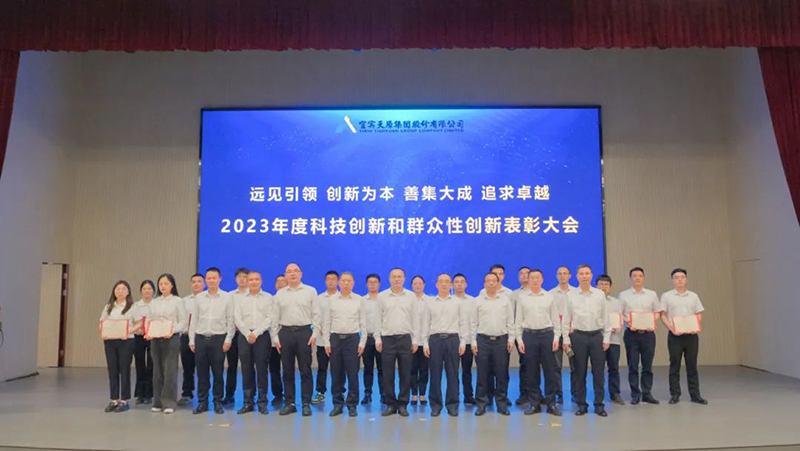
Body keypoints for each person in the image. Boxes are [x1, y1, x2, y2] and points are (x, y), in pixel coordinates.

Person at [272, 263, 321, 416]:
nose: (292, 274)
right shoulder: (280, 294)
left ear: (301, 274)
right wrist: (275, 337)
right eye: (289, 271)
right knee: (287, 370)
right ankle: (290, 403)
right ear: (285, 275)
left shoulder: (310, 291)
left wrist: (314, 334)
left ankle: (306, 403)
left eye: (295, 271)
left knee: (305, 370)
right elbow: (274, 318)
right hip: (285, 333)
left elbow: (317, 315)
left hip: (304, 333)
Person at [563, 265, 611, 417]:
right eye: (581, 274)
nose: (584, 276)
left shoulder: (599, 294)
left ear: (591, 275)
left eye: (587, 273)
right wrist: (566, 339)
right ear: (577, 276)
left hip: (597, 336)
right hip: (578, 337)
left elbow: (605, 317)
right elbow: (566, 318)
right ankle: (581, 405)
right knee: (579, 372)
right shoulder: (570, 295)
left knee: (598, 373)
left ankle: (599, 405)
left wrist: (607, 337)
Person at [376, 268, 421, 417]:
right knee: (387, 374)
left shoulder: (411, 296)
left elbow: (415, 319)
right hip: (387, 339)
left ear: (404, 279)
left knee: (405, 373)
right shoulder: (382, 297)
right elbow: (377, 319)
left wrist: (415, 339)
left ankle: (402, 404)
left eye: (399, 276)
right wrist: (378, 338)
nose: (396, 279)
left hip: (405, 339)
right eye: (394, 277)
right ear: (389, 279)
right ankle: (390, 404)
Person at [515, 269, 561, 416]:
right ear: (528, 280)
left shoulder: (549, 297)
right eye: (532, 278)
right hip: (529, 336)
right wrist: (519, 339)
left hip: (547, 335)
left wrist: (556, 338)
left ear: (542, 279)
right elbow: (518, 320)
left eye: (537, 277)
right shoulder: (522, 298)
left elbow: (555, 319)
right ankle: (534, 404)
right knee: (531, 371)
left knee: (550, 371)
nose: (535, 280)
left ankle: (551, 404)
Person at [190, 267, 235, 415]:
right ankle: (202, 402)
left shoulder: (227, 297)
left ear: (220, 279)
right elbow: (194, 320)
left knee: (218, 373)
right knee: (202, 373)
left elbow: (230, 320)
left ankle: (217, 402)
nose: (211, 280)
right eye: (208, 278)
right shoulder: (199, 297)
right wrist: (191, 339)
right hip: (201, 338)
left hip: (218, 338)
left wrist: (228, 339)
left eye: (214, 278)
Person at [660, 268, 708, 405]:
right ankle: (675, 394)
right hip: (675, 336)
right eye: (676, 277)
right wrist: (671, 328)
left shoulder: (693, 296)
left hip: (691, 336)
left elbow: (698, 313)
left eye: (682, 277)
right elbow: (663, 315)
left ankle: (695, 395)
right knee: (674, 365)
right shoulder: (666, 296)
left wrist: (696, 326)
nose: (680, 280)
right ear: (672, 280)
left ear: (686, 279)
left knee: (692, 365)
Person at [421, 273, 466, 417]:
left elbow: (463, 323)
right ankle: (435, 405)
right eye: (441, 281)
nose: (444, 284)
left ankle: (453, 405)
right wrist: (425, 343)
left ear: (451, 285)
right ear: (436, 284)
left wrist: (463, 341)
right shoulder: (430, 303)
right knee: (435, 374)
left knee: (453, 373)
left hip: (453, 339)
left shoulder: (457, 302)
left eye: (447, 281)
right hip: (435, 340)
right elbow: (425, 323)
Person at [323, 272, 366, 417]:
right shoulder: (331, 300)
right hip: (335, 339)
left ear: (353, 283)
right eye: (343, 281)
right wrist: (326, 341)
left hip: (352, 340)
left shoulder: (359, 300)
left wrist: (362, 342)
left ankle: (352, 405)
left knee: (353, 374)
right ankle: (337, 404)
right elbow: (327, 322)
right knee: (336, 374)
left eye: (349, 281)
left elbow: (363, 323)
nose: (346, 283)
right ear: (339, 283)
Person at [472, 272, 514, 416]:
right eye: (487, 281)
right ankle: (482, 404)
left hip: (501, 341)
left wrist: (511, 339)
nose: (490, 283)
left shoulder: (505, 300)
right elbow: (473, 323)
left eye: (493, 281)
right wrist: (473, 341)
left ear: (498, 283)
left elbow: (510, 321)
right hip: (482, 341)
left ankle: (502, 404)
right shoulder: (478, 301)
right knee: (482, 374)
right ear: (484, 283)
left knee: (502, 374)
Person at [619, 267, 662, 405]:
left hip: (648, 334)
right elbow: (619, 314)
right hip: (631, 334)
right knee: (633, 365)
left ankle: (647, 393)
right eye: (634, 276)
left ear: (643, 278)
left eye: (640, 276)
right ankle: (635, 394)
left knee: (647, 365)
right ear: (630, 278)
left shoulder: (652, 294)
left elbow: (657, 312)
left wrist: (652, 321)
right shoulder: (623, 295)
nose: (637, 278)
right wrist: (628, 321)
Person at [233, 271, 273, 415]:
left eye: (257, 279)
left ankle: (262, 402)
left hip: (261, 336)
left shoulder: (268, 298)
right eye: (251, 280)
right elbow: (237, 318)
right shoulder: (240, 299)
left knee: (262, 368)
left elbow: (270, 318)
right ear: (247, 282)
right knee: (246, 368)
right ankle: (248, 402)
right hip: (244, 336)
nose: (254, 282)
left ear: (261, 281)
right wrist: (247, 333)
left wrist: (256, 333)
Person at [147, 273, 187, 414]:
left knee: (169, 370)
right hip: (155, 338)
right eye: (161, 284)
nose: (163, 286)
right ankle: (157, 402)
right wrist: (148, 331)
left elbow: (183, 321)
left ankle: (169, 402)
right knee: (157, 370)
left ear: (172, 285)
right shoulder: (154, 302)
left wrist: (173, 330)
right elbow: (149, 319)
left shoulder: (177, 301)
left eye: (166, 283)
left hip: (172, 338)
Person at [99, 280, 140, 413]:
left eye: (123, 289)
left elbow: (139, 323)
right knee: (112, 370)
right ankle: (114, 399)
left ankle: (124, 400)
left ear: (128, 292)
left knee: (124, 369)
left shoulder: (132, 306)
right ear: (114, 291)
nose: (120, 291)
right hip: (110, 341)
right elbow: (102, 322)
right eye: (118, 289)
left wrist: (129, 330)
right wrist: (103, 332)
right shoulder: (108, 306)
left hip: (126, 341)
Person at [549, 266, 577, 404]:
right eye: (559, 273)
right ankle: (558, 394)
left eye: (565, 273)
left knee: (575, 365)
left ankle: (575, 393)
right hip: (557, 334)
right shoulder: (550, 294)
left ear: (570, 275)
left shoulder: (577, 293)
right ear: (556, 276)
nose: (562, 276)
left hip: (574, 333)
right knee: (556, 366)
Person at [596, 274, 625, 405]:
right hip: (598, 339)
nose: (603, 287)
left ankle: (615, 393)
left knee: (614, 368)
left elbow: (620, 318)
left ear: (610, 287)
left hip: (614, 339)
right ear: (596, 286)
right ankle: (599, 394)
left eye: (606, 284)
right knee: (598, 368)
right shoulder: (593, 301)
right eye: (601, 284)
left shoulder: (616, 302)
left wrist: (617, 327)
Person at [223, 267, 249, 405]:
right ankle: (229, 395)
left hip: (248, 335)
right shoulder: (229, 295)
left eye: (245, 277)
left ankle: (249, 397)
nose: (242, 279)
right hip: (233, 334)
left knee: (248, 367)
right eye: (239, 277)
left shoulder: (252, 294)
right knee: (232, 366)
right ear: (235, 279)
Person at [312, 270, 339, 405]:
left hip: (337, 339)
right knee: (322, 367)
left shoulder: (342, 298)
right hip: (322, 339)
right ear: (325, 281)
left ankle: (338, 393)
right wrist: (320, 330)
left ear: (338, 281)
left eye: (334, 279)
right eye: (328, 279)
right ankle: (320, 392)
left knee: (338, 368)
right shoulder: (319, 298)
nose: (331, 281)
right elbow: (314, 317)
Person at [178, 273, 204, 406]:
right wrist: (186, 330)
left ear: (204, 284)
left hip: (202, 337)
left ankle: (203, 395)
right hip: (186, 336)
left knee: (203, 367)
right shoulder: (184, 301)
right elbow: (180, 318)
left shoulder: (207, 299)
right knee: (187, 367)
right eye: (194, 281)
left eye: (199, 281)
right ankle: (187, 393)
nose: (196, 284)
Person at [361, 273, 384, 405]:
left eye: (375, 282)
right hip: (367, 338)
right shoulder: (362, 301)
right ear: (366, 284)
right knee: (367, 368)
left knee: (382, 368)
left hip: (382, 338)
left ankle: (384, 394)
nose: (373, 284)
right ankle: (367, 394)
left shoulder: (384, 299)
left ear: (379, 284)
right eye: (370, 282)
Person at [453, 273, 476, 405]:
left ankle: (469, 396)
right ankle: (454, 396)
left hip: (467, 341)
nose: (459, 284)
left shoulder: (472, 301)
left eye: (462, 282)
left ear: (466, 284)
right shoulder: (449, 301)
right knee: (453, 371)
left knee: (467, 371)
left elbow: (474, 322)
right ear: (453, 285)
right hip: (453, 341)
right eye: (456, 282)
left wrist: (473, 340)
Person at [132, 280, 155, 405]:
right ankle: (140, 394)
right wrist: (137, 329)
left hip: (152, 337)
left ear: (153, 291)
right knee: (139, 364)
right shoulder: (135, 305)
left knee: (151, 365)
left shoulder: (156, 304)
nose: (147, 291)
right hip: (139, 337)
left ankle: (149, 394)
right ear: (141, 291)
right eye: (144, 288)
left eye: (149, 288)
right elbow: (131, 321)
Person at [410, 275, 430, 405]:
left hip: (425, 341)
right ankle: (413, 394)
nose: (417, 286)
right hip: (411, 341)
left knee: (424, 369)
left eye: (420, 283)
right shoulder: (408, 300)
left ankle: (422, 394)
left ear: (424, 285)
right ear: (412, 286)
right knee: (411, 369)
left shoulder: (430, 301)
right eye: (415, 283)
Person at [513, 266, 531, 406]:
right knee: (524, 363)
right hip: (520, 333)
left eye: (527, 273)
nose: (524, 275)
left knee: (536, 364)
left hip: (536, 333)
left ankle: (537, 393)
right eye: (521, 274)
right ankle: (524, 393)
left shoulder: (539, 292)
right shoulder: (514, 295)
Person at [270, 274, 287, 405]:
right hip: (272, 340)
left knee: (288, 368)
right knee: (274, 368)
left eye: (283, 281)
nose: (280, 283)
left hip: (288, 338)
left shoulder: (291, 299)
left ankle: (289, 394)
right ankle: (277, 394)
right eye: (278, 281)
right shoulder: (270, 299)